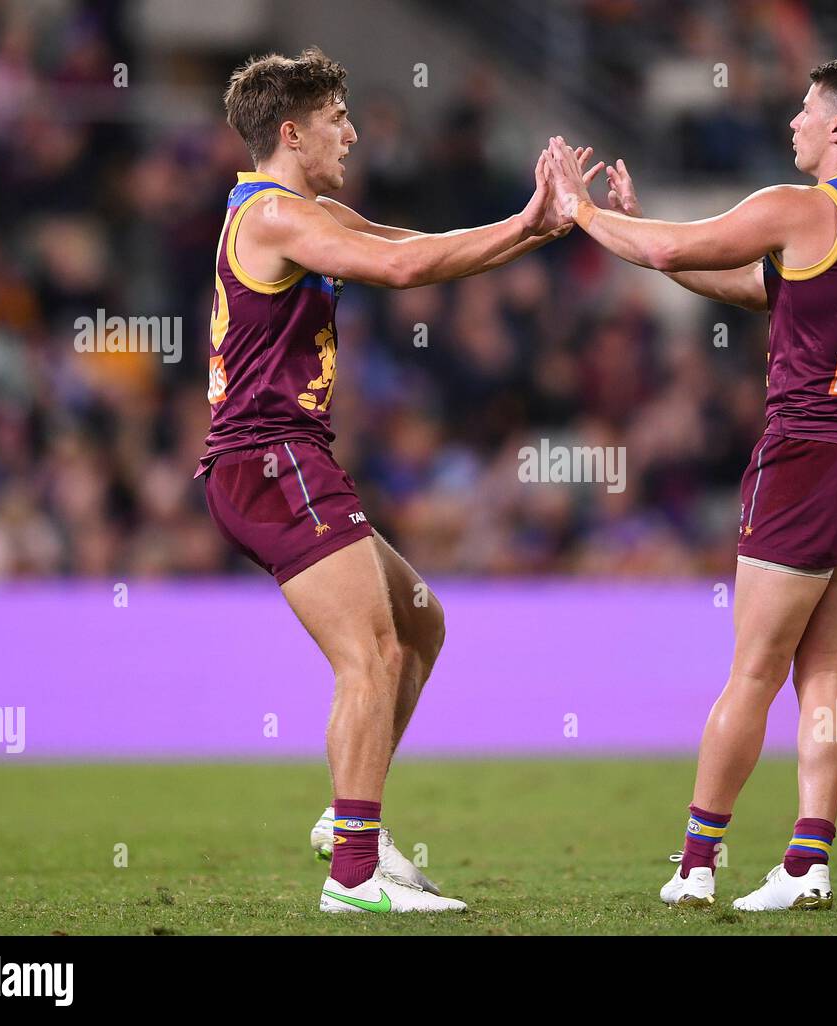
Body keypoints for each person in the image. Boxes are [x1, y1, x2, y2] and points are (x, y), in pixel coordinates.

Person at [201, 46, 600, 913]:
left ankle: (350, 821)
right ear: (291, 130)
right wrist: (527, 225)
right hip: (268, 458)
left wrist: (530, 223)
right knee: (372, 653)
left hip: (287, 455)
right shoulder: (273, 216)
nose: (352, 130)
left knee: (418, 626)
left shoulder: (307, 210)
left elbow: (417, 245)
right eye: (337, 118)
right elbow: (406, 271)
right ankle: (353, 879)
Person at [543, 57, 837, 911]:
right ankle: (809, 861)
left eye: (804, 109)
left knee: (754, 669)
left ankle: (698, 861)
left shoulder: (797, 206)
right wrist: (642, 241)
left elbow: (680, 243)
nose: (792, 122)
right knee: (828, 670)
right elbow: (759, 287)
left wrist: (586, 213)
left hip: (811, 455)